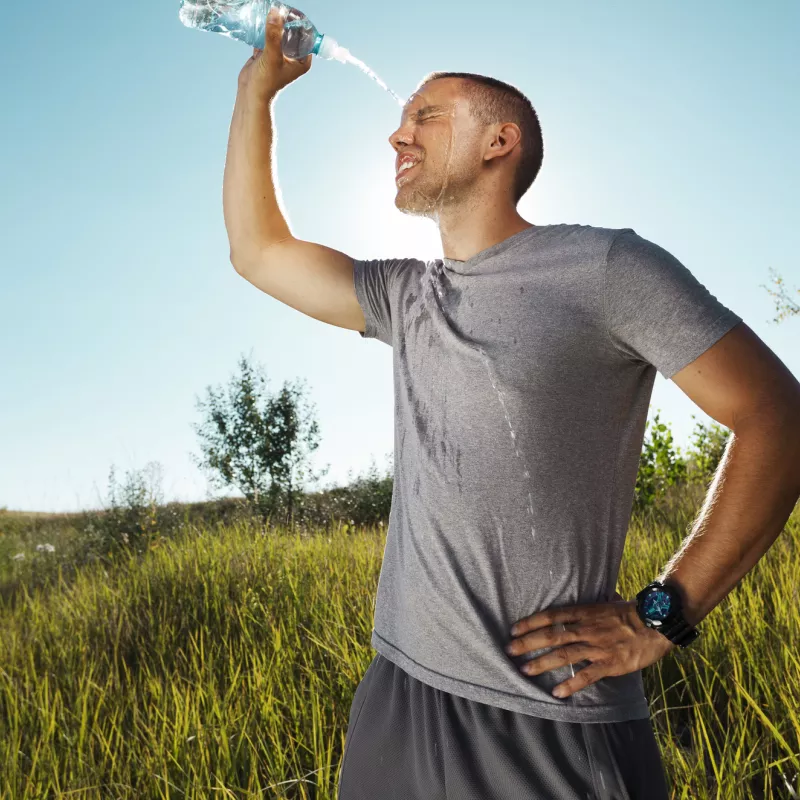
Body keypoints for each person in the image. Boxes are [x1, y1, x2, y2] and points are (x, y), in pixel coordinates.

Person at [225, 6, 800, 799]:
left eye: (426, 116)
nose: (399, 137)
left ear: (501, 142)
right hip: (397, 692)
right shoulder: (406, 296)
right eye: (399, 121)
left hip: (547, 721)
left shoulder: (605, 268)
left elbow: (777, 414)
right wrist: (257, 93)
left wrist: (661, 615)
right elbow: (258, 253)